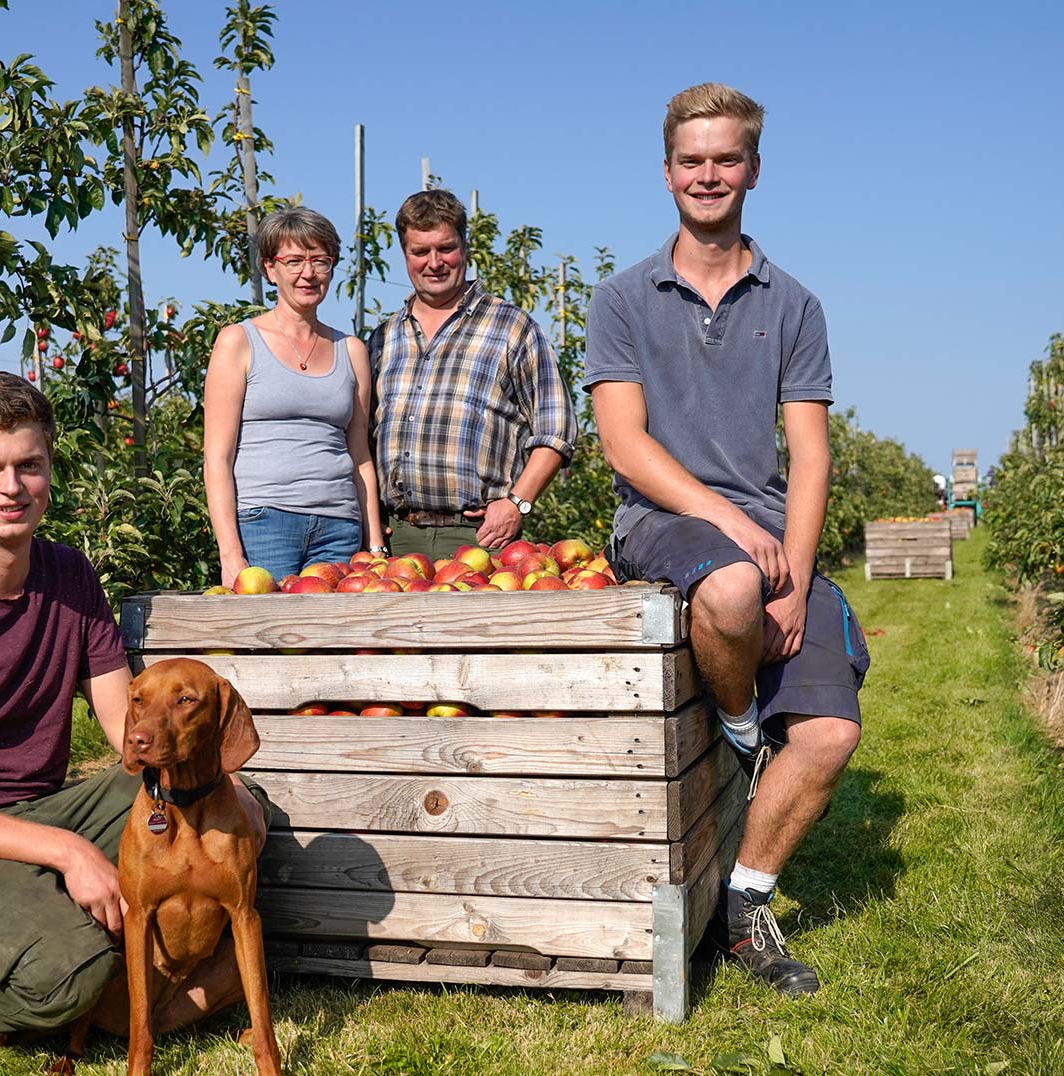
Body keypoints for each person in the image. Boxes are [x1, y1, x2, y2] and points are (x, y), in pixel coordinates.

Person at [0, 371, 269, 1051]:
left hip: (37, 809)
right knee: (76, 968)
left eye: (28, 466)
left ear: (48, 471)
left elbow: (125, 732)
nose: (10, 487)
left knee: (236, 802)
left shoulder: (69, 576)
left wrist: (212, 781)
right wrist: (69, 852)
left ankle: (152, 969)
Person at [583, 83, 868, 996]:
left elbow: (812, 457)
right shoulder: (622, 299)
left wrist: (801, 571)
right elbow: (624, 442)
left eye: (726, 159)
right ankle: (744, 730)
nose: (709, 175)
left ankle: (744, 906)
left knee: (827, 733)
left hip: (770, 532)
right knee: (736, 587)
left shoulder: (794, 303)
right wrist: (738, 526)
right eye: (692, 160)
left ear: (753, 169)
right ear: (667, 172)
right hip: (664, 522)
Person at [368, 189, 576, 561]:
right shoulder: (384, 338)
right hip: (395, 539)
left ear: (465, 247)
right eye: (420, 252)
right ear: (405, 255)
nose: (434, 262)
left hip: (479, 536)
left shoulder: (511, 327)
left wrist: (518, 503)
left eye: (445, 248)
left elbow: (556, 429)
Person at [204, 206, 383, 584]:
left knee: (336, 640)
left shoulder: (351, 350)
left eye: (320, 261)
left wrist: (375, 545)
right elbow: (217, 458)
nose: (308, 273)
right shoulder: (239, 342)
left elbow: (360, 455)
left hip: (340, 528)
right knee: (268, 639)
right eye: (295, 260)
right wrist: (231, 554)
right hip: (265, 523)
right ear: (271, 268)